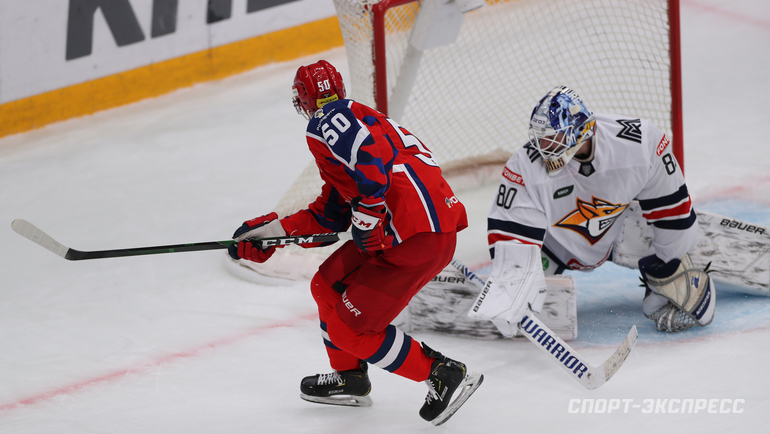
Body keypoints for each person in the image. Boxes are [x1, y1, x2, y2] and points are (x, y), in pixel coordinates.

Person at [228, 60, 483, 424]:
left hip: (414, 237)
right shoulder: (361, 123)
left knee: (348, 329)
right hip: (413, 231)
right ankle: (350, 378)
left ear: (304, 101)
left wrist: (367, 220)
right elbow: (329, 215)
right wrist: (271, 235)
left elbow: (371, 171)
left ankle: (441, 374)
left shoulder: (329, 119)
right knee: (326, 284)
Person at [485, 85, 715, 333]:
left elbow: (674, 213)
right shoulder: (524, 166)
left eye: (553, 137)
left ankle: (673, 266)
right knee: (529, 291)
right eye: (540, 137)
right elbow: (510, 234)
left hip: (622, 225)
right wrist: (513, 284)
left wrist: (671, 265)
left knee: (677, 246)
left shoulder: (639, 142)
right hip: (553, 248)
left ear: (580, 130)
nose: (544, 146)